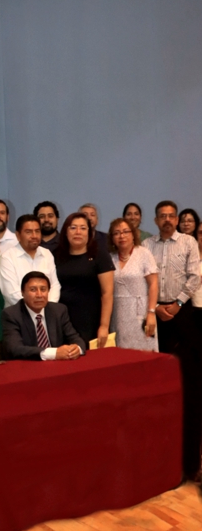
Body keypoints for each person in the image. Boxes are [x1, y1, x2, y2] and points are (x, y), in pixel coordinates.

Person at [146, 201, 201, 479]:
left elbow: (195, 275)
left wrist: (177, 304)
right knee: (161, 384)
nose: (167, 220)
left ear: (177, 218)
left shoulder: (188, 242)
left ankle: (190, 465)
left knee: (189, 385)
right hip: (157, 316)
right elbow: (146, 280)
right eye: (162, 216)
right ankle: (163, 462)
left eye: (171, 216)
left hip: (184, 315)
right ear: (155, 220)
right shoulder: (147, 246)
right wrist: (155, 307)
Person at [55, 212, 114, 347]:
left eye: (83, 228)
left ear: (89, 232)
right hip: (63, 320)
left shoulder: (100, 255)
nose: (78, 232)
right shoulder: (55, 256)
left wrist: (104, 326)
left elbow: (107, 294)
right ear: (65, 232)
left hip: (91, 320)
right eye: (73, 227)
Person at [0, 272, 87, 361]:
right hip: (29, 366)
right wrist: (54, 353)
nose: (39, 295)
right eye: (33, 290)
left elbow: (75, 338)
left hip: (57, 366)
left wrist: (76, 349)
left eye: (43, 289)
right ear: (22, 292)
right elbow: (15, 349)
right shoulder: (11, 314)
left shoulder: (59, 310)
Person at [107, 218, 158, 352]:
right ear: (112, 238)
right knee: (122, 356)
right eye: (116, 233)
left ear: (133, 234)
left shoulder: (144, 253)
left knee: (144, 356)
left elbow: (153, 284)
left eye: (125, 232)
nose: (121, 236)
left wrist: (151, 312)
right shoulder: (110, 258)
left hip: (141, 313)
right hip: (117, 315)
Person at [0, 215, 60, 308]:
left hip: (47, 314)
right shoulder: (7, 258)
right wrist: (36, 309)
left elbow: (55, 286)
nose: (34, 236)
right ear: (18, 235)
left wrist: (47, 308)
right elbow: (11, 294)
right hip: (19, 316)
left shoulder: (47, 254)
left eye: (37, 231)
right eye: (28, 232)